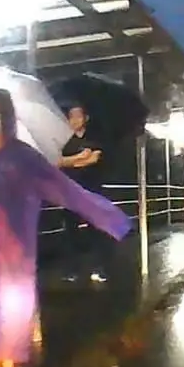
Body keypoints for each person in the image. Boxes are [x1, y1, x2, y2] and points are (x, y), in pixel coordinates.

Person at [0, 88, 131, 367]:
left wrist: (109, 217)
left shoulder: (24, 155)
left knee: (16, 299)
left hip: (15, 239)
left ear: (6, 116)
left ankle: (9, 359)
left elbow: (63, 188)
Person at [57, 101, 114, 283]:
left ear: (86, 118)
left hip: (92, 190)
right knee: (70, 231)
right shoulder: (63, 141)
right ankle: (71, 269)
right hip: (70, 191)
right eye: (71, 116)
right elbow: (57, 161)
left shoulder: (95, 138)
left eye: (78, 115)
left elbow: (94, 159)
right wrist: (79, 158)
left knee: (96, 230)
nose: (74, 120)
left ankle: (99, 268)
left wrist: (74, 161)